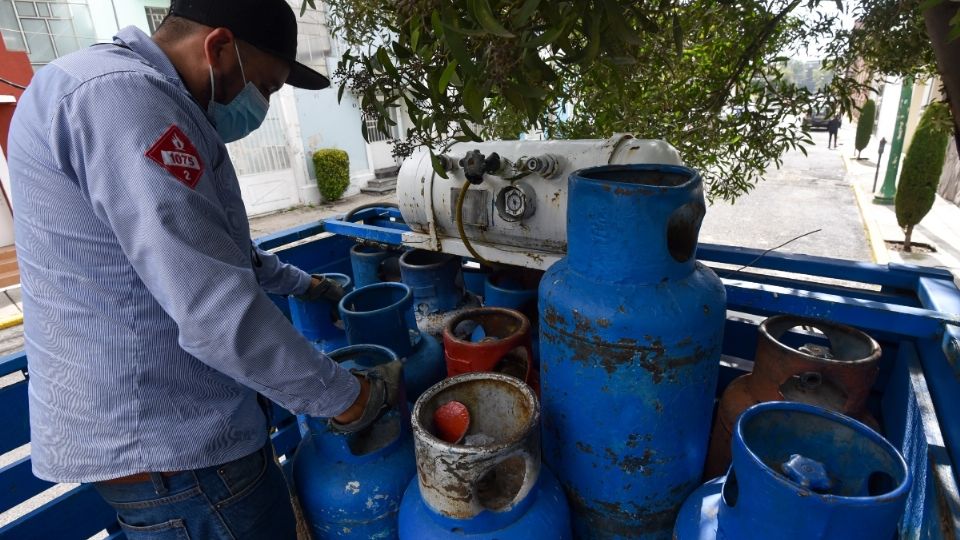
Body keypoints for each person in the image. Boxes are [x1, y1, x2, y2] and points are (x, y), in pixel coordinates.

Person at [6, 1, 401, 538]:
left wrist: (307, 284)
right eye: (265, 86)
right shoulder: (122, 101)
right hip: (182, 457)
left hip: (164, 450)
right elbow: (214, 305)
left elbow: (214, 252)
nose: (260, 103)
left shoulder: (98, 85)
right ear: (218, 48)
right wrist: (350, 398)